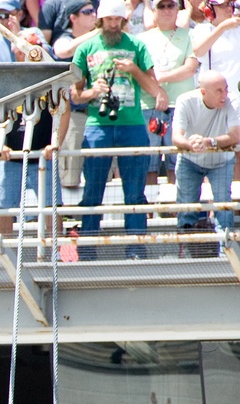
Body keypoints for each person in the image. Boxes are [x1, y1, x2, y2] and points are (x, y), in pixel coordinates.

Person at [71, 0, 168, 260]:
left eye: (117, 20)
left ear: (123, 21)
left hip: (132, 125)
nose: (113, 24)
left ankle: (136, 249)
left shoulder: (136, 45)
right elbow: (75, 94)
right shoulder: (85, 48)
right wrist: (94, 91)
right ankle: (87, 250)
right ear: (100, 20)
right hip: (97, 127)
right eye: (109, 20)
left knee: (135, 191)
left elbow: (154, 89)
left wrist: (133, 69)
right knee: (92, 190)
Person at [0, 29, 68, 238]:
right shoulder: (5, 80)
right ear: (17, 52)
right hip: (11, 155)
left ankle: (53, 254)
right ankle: (3, 256)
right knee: (3, 209)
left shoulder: (51, 80)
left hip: (43, 154)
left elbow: (65, 109)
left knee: (52, 207)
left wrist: (56, 142)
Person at [172, 71, 240, 233]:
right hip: (189, 160)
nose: (224, 94)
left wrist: (209, 142)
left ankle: (226, 252)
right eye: (219, 90)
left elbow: (235, 136)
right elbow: (176, 137)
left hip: (221, 161)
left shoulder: (232, 100)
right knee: (187, 207)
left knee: (223, 206)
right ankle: (185, 253)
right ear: (203, 92)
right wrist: (192, 145)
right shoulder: (185, 100)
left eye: (225, 89)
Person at [137, 0, 198, 184]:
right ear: (153, 11)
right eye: (161, 6)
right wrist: (156, 90)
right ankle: (150, 212)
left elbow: (190, 67)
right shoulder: (141, 38)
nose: (166, 10)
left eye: (170, 5)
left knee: (178, 163)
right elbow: (138, 72)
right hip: (148, 106)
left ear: (178, 9)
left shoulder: (190, 34)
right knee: (148, 163)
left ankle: (176, 210)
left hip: (180, 107)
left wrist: (161, 78)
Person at [191, 0, 240, 181]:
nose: (228, 9)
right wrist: (222, 27)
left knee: (238, 152)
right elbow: (199, 51)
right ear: (210, 10)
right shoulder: (202, 30)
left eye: (230, 5)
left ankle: (236, 207)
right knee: (211, 154)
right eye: (223, 6)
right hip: (215, 101)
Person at [52, 0, 97, 188]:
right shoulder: (64, 38)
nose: (94, 15)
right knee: (69, 177)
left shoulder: (100, 40)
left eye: (94, 11)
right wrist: (98, 32)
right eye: (87, 12)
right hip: (73, 113)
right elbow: (63, 51)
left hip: (98, 113)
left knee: (100, 174)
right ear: (73, 17)